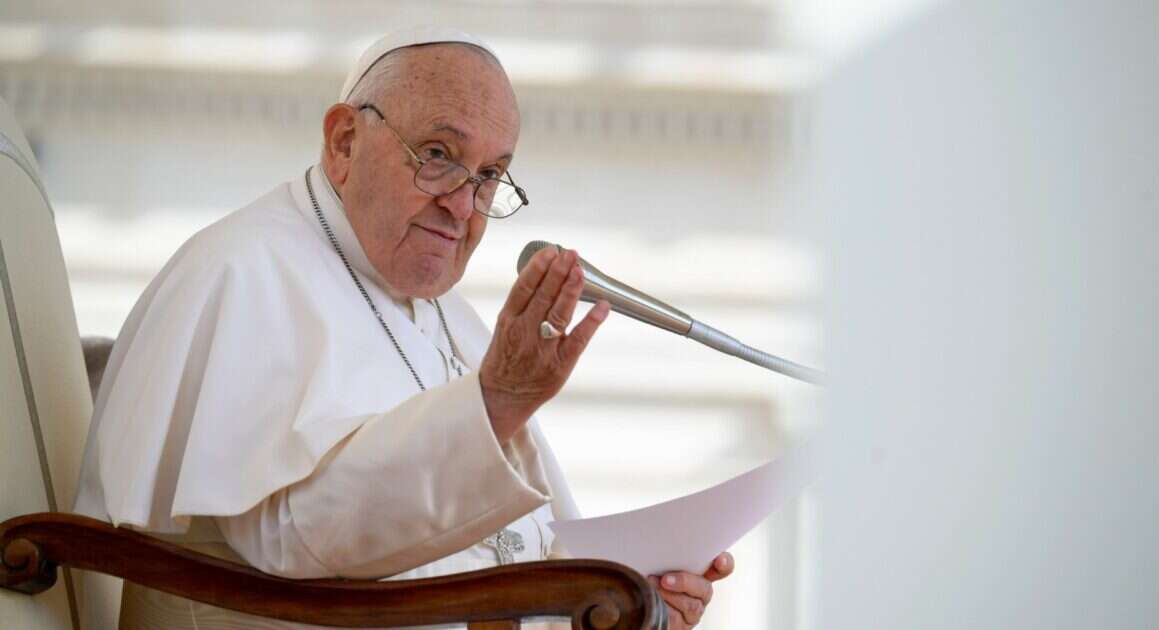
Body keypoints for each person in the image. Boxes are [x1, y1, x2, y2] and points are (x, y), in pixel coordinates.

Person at [73, 27, 732, 629]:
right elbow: (291, 541)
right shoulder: (241, 271)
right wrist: (493, 404)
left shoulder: (459, 321)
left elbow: (522, 554)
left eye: (490, 175)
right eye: (439, 154)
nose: (463, 205)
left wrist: (633, 600)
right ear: (343, 142)